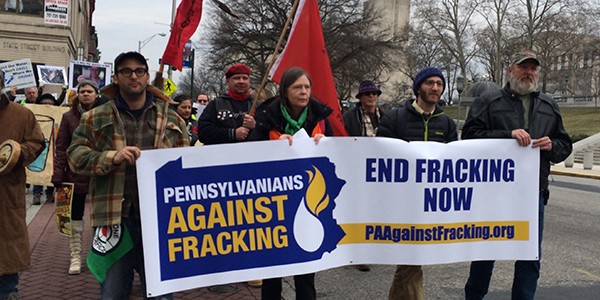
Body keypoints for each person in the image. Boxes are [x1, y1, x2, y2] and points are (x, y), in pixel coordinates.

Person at [67, 51, 189, 300]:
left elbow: (189, 162)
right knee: (112, 293)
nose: (133, 76)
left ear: (146, 77)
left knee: (161, 294)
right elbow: (75, 157)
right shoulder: (94, 117)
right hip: (113, 218)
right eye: (126, 71)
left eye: (139, 71)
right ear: (116, 77)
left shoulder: (171, 119)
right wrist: (111, 157)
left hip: (159, 220)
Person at [462, 50, 572, 300]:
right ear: (510, 70)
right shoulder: (489, 101)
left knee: (529, 257)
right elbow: (469, 137)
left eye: (533, 68)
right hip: (493, 194)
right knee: (485, 253)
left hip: (533, 194)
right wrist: (506, 135)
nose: (528, 72)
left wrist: (552, 145)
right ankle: (473, 296)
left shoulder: (548, 105)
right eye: (523, 67)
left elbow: (564, 144)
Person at [248, 67, 333, 300]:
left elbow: (336, 159)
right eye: (297, 87)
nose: (304, 92)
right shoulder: (266, 118)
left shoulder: (321, 120)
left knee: (306, 272)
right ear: (285, 92)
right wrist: (271, 146)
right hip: (273, 207)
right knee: (273, 274)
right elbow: (250, 156)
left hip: (308, 204)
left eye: (307, 87)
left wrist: (327, 144)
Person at [377, 67, 457, 300]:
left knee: (411, 260)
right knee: (412, 258)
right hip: (401, 202)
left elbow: (453, 162)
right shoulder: (395, 118)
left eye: (439, 84)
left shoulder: (447, 123)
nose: (435, 88)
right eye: (430, 83)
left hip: (431, 203)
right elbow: (380, 157)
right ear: (418, 88)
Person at [0, 84, 45, 300]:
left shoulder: (21, 114)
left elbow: (37, 142)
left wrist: (14, 155)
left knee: (6, 255)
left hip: (6, 196)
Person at [51, 80, 99, 275]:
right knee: (74, 217)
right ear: (77, 94)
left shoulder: (106, 114)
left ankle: (98, 256)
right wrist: (58, 174)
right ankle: (75, 256)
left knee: (100, 217)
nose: (85, 94)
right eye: (82, 91)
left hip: (98, 172)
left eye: (89, 91)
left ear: (96, 94)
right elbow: (61, 147)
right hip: (74, 173)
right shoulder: (69, 117)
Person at [197, 63, 256, 145]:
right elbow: (203, 133)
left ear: (249, 81)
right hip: (222, 155)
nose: (241, 81)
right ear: (228, 81)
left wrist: (255, 126)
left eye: (245, 78)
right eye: (237, 78)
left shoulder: (258, 105)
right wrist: (232, 134)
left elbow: (268, 134)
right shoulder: (216, 105)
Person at [31, 93, 60, 205]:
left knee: (50, 170)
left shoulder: (57, 114)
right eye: (44, 103)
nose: (47, 105)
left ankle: (49, 193)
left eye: (49, 103)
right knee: (37, 170)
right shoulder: (34, 114)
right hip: (38, 145)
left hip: (52, 144)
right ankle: (36, 194)